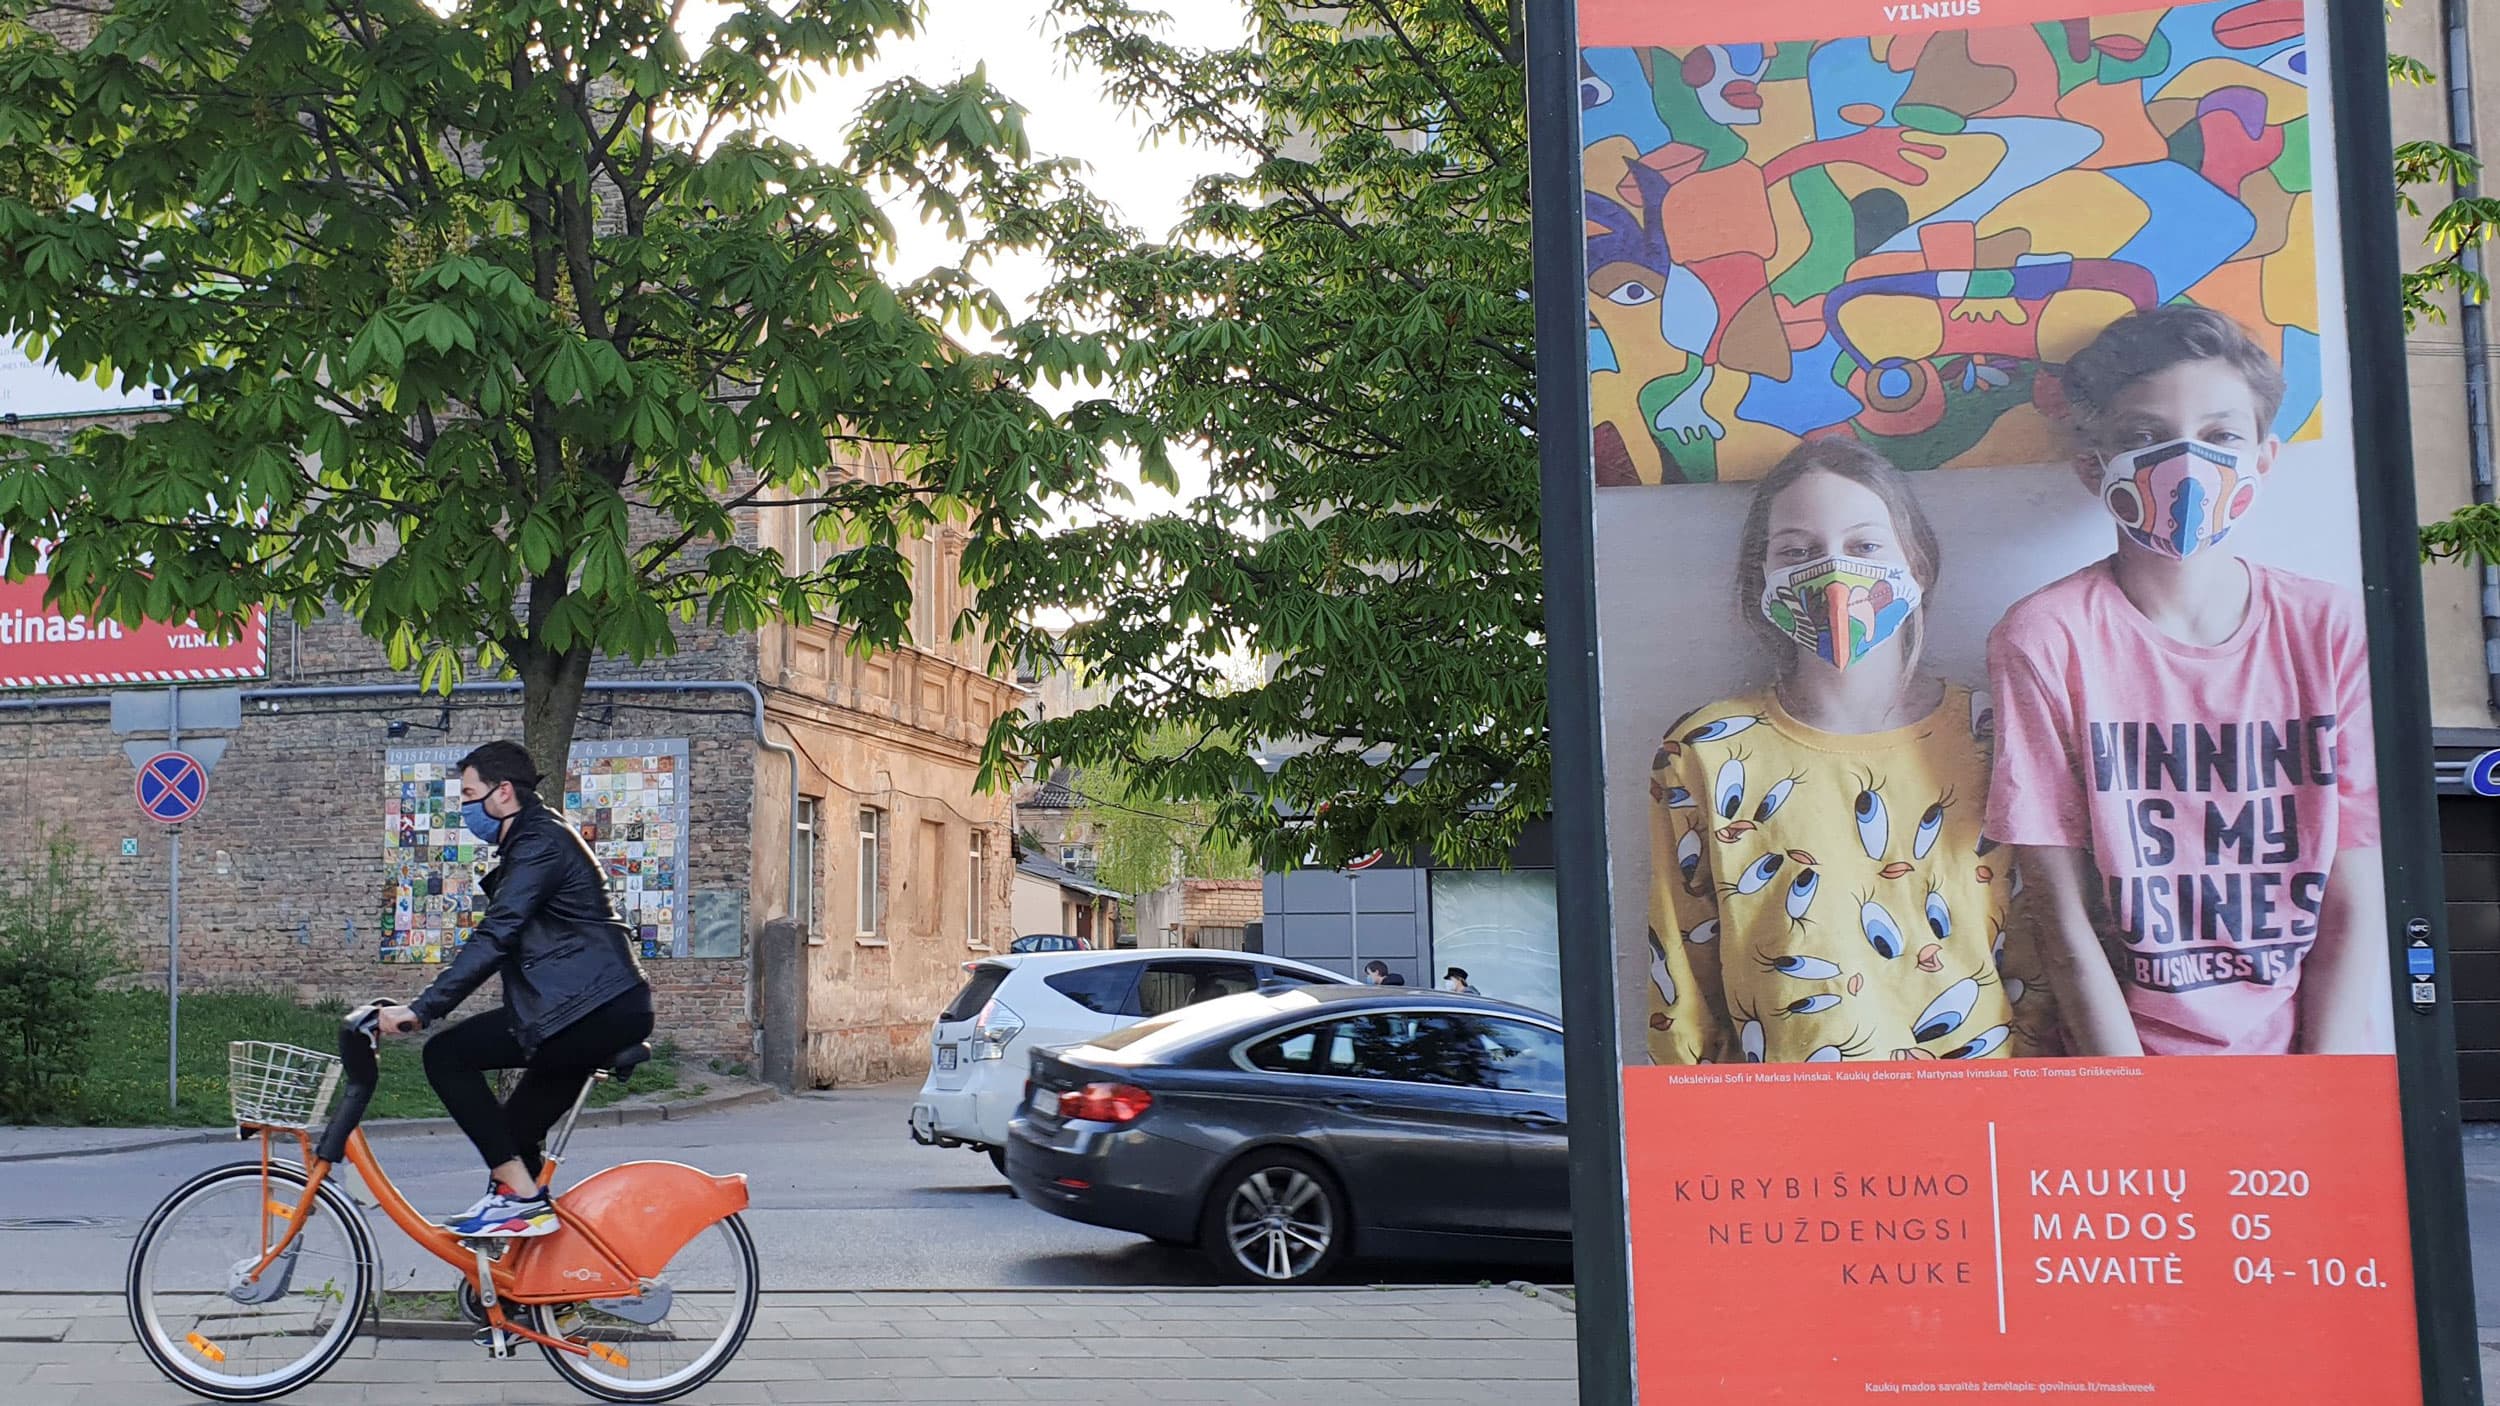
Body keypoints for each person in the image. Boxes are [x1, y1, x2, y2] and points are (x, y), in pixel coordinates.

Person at [1985, 306, 2388, 1056]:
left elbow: (2355, 898)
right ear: (2092, 465)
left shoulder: (2332, 631)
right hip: (2126, 1062)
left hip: (2309, 1062)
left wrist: (2321, 1088)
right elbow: (2061, 914)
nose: (2187, 463)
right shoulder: (2047, 638)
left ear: (2264, 458)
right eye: (2144, 436)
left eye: (2221, 435)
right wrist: (2134, 1100)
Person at [1647, 440, 2060, 1064]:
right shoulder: (1706, 751)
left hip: (1985, 1107)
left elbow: (2045, 953)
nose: (1833, 572)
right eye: (1797, 551)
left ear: (1917, 565)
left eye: (1865, 546)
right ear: (1762, 577)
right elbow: (1681, 983)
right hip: (1784, 1114)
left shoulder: (1995, 734)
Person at [375, 741, 656, 1237]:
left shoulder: (539, 843)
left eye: (469, 795)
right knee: (512, 1137)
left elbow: (497, 934)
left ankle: (522, 1201)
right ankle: (537, 1270)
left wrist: (423, 1009)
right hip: (595, 1007)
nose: (464, 808)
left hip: (591, 1009)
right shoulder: (534, 840)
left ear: (503, 792)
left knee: (446, 1055)